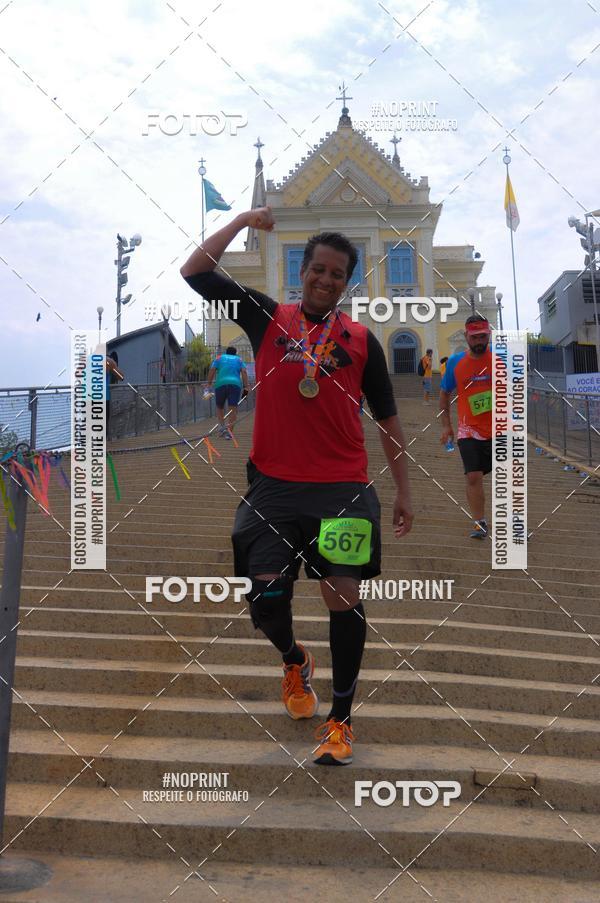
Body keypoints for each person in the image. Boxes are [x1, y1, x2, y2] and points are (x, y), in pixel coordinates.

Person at [181, 206, 413, 765]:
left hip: (343, 490)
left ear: (345, 282)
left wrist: (404, 490)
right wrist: (240, 221)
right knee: (265, 600)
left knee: (343, 598)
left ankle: (340, 721)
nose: (326, 279)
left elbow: (387, 419)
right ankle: (292, 659)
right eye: (318, 269)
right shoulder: (267, 318)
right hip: (274, 489)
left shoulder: (362, 342)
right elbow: (195, 272)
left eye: (337, 274)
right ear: (302, 270)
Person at [439, 315, 492, 539]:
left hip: (501, 428)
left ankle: (514, 521)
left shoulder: (502, 360)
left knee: (509, 477)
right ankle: (479, 522)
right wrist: (446, 427)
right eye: (475, 337)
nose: (479, 341)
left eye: (483, 337)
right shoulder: (455, 362)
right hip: (468, 429)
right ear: (466, 337)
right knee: (473, 477)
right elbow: (444, 394)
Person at [206, 345, 249, 439]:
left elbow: (212, 369)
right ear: (235, 353)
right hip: (235, 384)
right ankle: (229, 433)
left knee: (220, 407)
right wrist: (246, 387)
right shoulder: (239, 360)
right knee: (233, 409)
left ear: (226, 352)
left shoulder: (219, 358)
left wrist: (208, 383)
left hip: (220, 384)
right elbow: (244, 372)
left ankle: (222, 428)